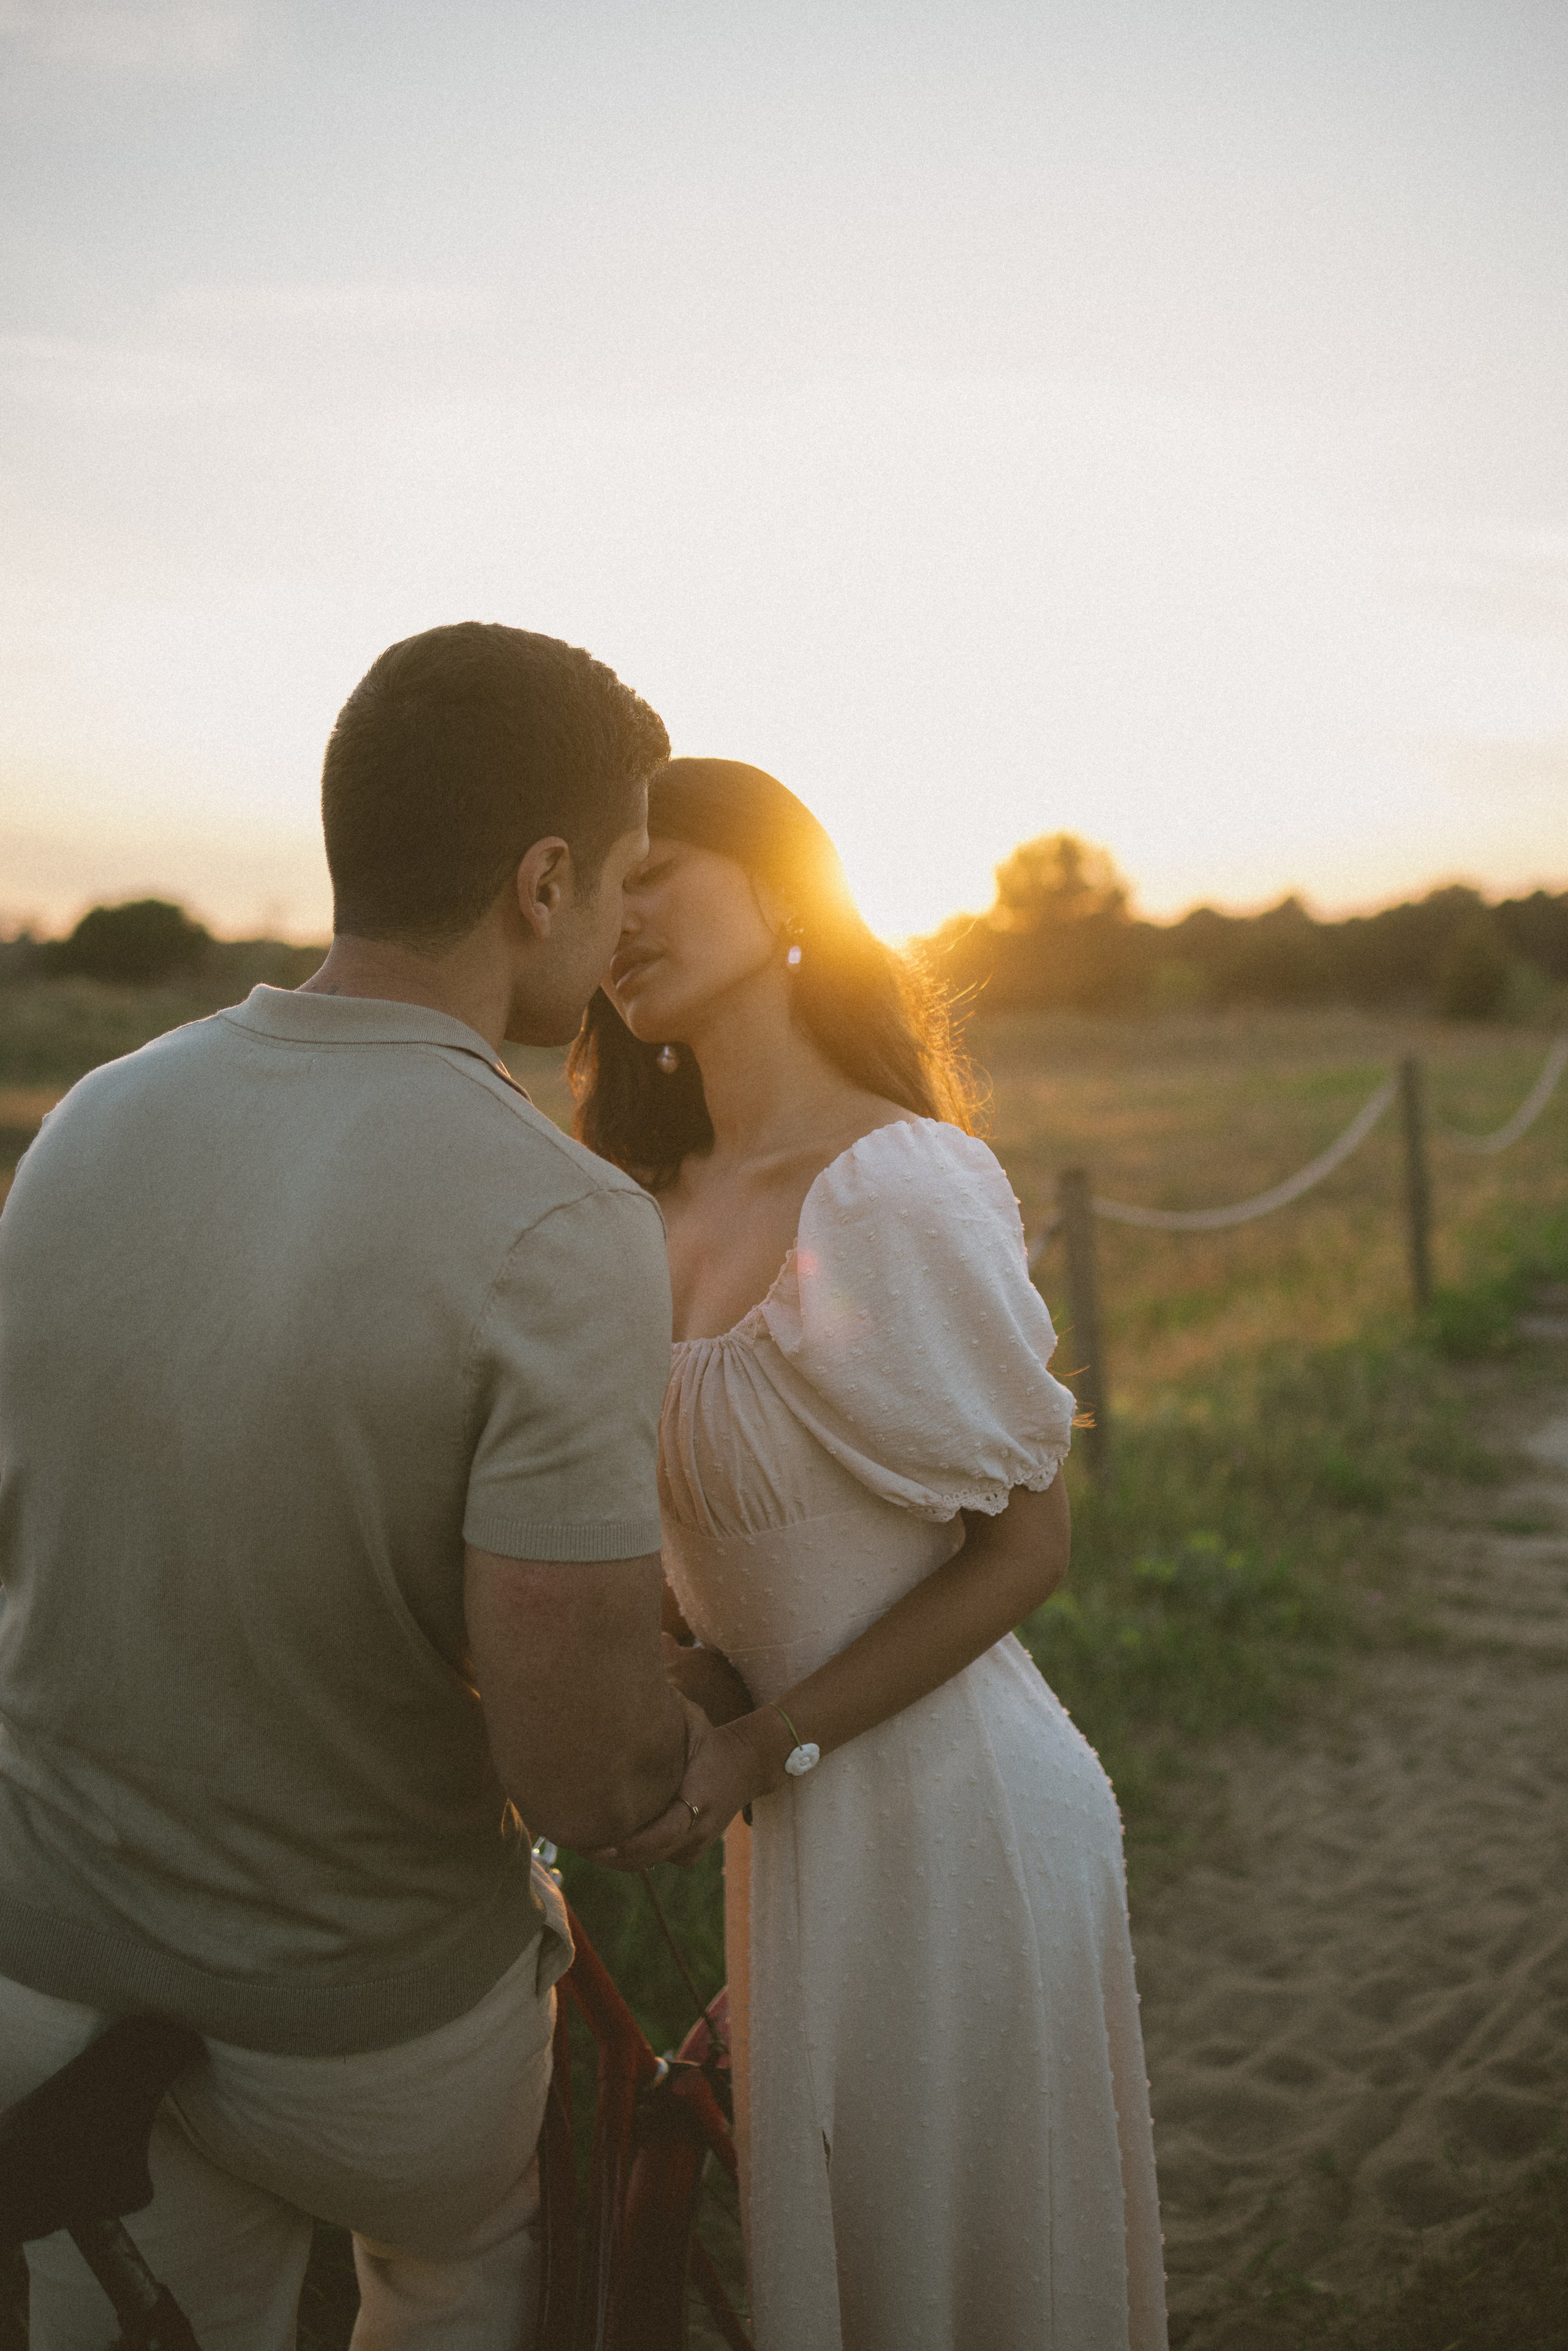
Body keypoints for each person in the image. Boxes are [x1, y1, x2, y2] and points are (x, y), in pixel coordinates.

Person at [0, 623, 702, 2349]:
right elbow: (580, 1770)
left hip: (44, 1975)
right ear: (545, 881)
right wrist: (709, 1720)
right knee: (474, 2264)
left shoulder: (90, 1119)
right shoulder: (565, 1218)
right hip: (367, 2036)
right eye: (623, 878)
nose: (626, 922)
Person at [576, 759, 1168, 2350]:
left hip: (961, 1830)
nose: (621, 921)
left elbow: (1028, 1545)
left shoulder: (892, 1185)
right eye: (604, 887)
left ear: (784, 892)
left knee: (965, 2285)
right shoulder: (641, 1204)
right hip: (795, 1839)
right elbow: (746, 1549)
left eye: (658, 876)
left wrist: (761, 1733)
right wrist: (689, 1683)